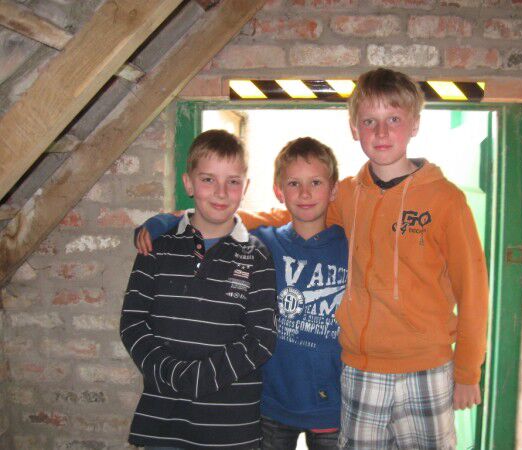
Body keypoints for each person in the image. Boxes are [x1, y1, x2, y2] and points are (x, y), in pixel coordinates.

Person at [137, 67, 489, 450]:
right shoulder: (349, 195)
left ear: (415, 124)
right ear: (354, 128)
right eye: (369, 121)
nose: (381, 132)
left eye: (393, 119)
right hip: (362, 369)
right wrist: (177, 219)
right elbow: (285, 217)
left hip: (427, 364)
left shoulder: (446, 199)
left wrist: (468, 371)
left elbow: (473, 290)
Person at [137, 137, 348, 450]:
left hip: (330, 402)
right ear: (279, 190)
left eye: (315, 182)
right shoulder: (261, 242)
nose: (305, 193)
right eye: (294, 183)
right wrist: (161, 222)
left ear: (333, 190)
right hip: (270, 401)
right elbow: (211, 216)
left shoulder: (351, 247)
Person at [120, 129, 277, 449]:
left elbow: (262, 337)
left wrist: (201, 378)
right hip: (163, 420)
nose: (221, 192)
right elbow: (132, 322)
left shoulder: (257, 255)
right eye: (208, 179)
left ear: (245, 188)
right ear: (188, 183)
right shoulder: (156, 247)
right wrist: (172, 373)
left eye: (233, 181)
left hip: (231, 425)